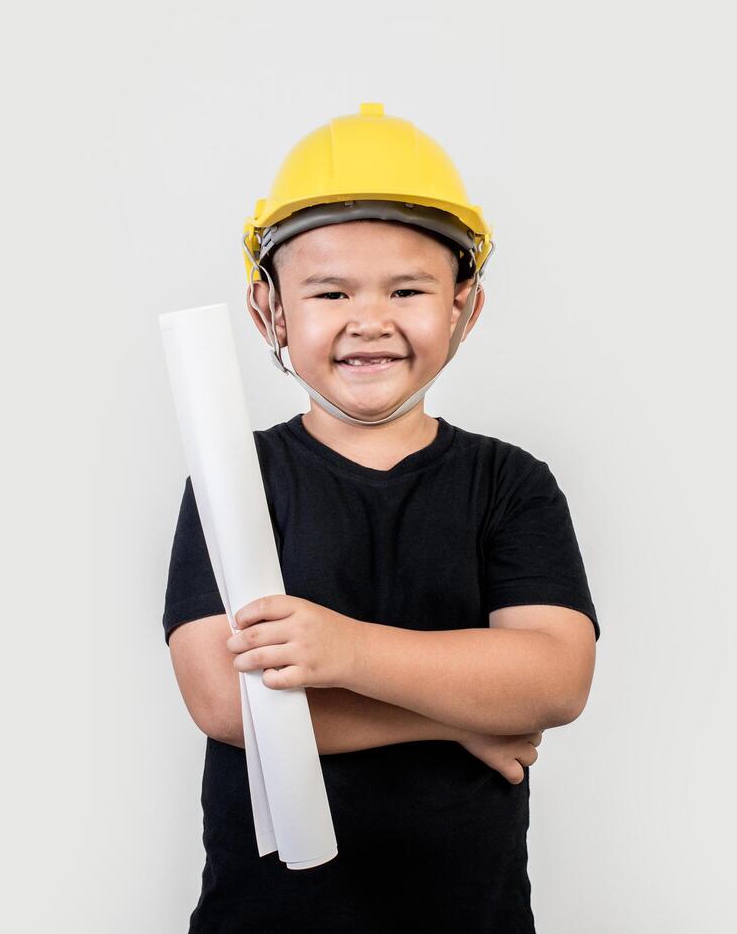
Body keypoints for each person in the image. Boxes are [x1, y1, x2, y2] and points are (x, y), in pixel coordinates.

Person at [162, 102, 601, 933]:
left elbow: (554, 679)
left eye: (407, 289)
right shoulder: (235, 477)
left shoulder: (510, 484)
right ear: (271, 313)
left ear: (463, 308)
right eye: (330, 291)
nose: (369, 318)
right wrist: (455, 714)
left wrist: (346, 651)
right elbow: (226, 702)